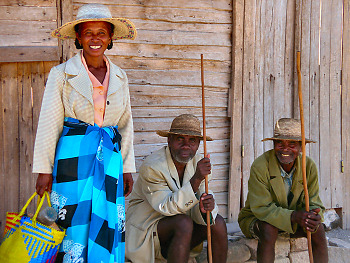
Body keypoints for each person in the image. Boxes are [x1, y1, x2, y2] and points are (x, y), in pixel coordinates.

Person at [32, 4, 137, 262]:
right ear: (78, 37)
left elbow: (125, 125)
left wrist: (126, 167)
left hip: (110, 160)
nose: (95, 39)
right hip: (73, 159)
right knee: (70, 221)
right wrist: (44, 169)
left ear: (111, 38)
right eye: (88, 32)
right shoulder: (61, 75)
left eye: (101, 32)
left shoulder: (120, 77)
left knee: (107, 219)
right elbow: (49, 122)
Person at [125, 114, 228, 263]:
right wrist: (197, 178)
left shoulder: (199, 162)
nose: (186, 145)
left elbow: (202, 198)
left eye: (192, 140)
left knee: (217, 223)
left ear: (198, 144)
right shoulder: (152, 167)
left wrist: (206, 207)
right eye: (180, 139)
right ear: (169, 140)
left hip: (180, 232)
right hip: (148, 233)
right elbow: (166, 207)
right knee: (183, 223)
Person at [238, 118, 328, 263]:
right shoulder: (260, 166)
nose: (285, 149)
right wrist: (293, 216)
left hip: (293, 220)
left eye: (292, 144)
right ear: (274, 144)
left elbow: (314, 201)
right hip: (257, 219)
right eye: (280, 143)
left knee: (318, 229)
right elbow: (262, 208)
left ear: (301, 147)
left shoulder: (308, 166)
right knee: (269, 228)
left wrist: (314, 215)